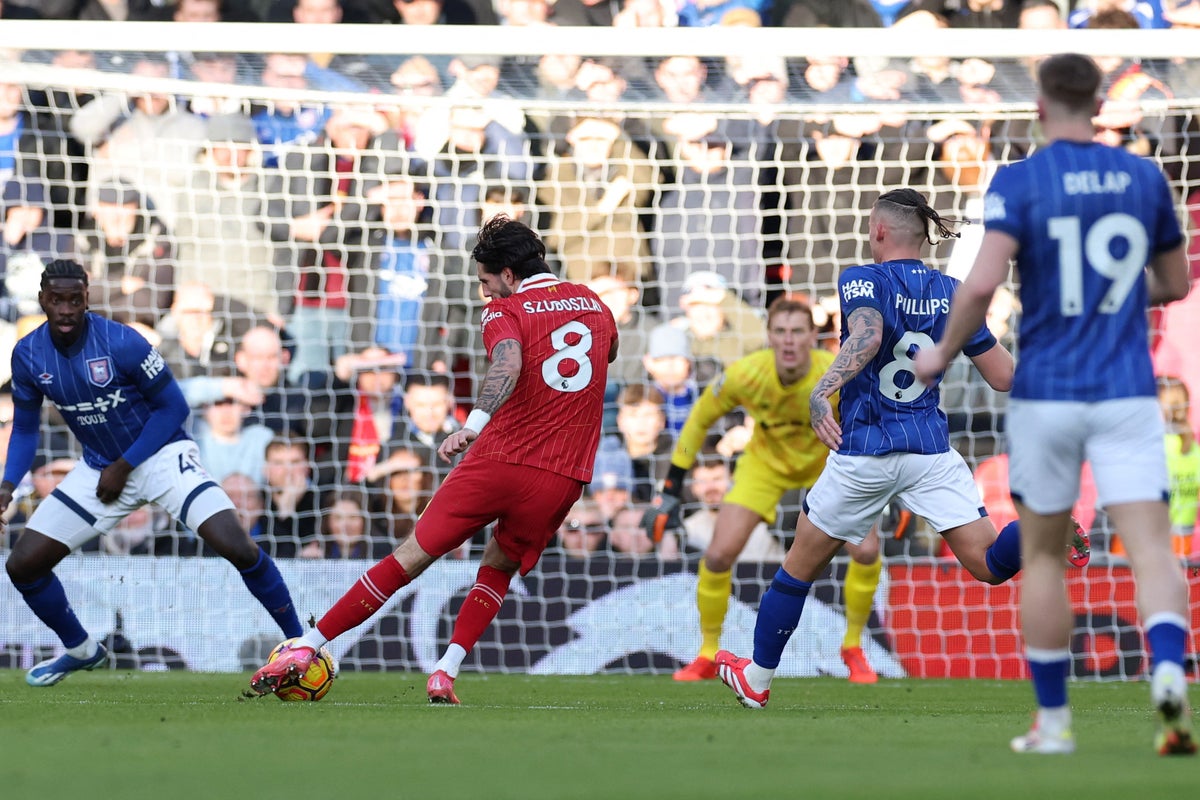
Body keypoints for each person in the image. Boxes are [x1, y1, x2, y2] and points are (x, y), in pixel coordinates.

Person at [914, 53, 1195, 756]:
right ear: (1100, 104)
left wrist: (942, 353)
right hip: (1126, 386)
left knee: (1041, 559)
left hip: (1046, 392)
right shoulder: (1142, 176)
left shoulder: (1020, 179)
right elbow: (1175, 279)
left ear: (1040, 106)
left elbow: (979, 285)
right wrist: (1116, 298)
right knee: (1152, 548)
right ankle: (1167, 669)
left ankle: (1054, 725)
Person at [714, 188, 1090, 710]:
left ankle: (757, 677)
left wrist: (823, 391)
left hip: (865, 450)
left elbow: (867, 336)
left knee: (798, 569)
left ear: (879, 232)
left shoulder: (862, 279)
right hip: (930, 451)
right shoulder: (956, 292)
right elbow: (1004, 377)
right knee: (987, 564)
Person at [249, 215, 619, 704]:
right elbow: (605, 355)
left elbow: (508, 362)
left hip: (501, 457)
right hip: (562, 476)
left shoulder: (506, 310)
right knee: (498, 567)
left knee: (409, 558)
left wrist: (472, 424)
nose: (485, 294)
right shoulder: (595, 304)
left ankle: (308, 647)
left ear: (508, 275)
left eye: (486, 282)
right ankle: (446, 671)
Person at [0, 259, 303, 686]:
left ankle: (301, 644)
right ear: (42, 301)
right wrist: (8, 486)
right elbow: (27, 429)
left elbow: (174, 408)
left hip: (161, 458)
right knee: (23, 566)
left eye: (74, 300)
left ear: (87, 298)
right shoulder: (29, 355)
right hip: (100, 469)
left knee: (237, 546)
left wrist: (125, 465)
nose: (66, 309)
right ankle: (81, 649)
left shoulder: (122, 342)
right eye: (56, 300)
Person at [647, 295, 884, 684]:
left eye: (797, 332)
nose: (789, 341)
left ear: (812, 336)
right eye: (780, 332)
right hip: (764, 464)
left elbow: (874, 420)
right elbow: (698, 422)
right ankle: (708, 653)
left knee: (868, 549)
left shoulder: (838, 372)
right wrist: (672, 485)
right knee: (719, 554)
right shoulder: (745, 373)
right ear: (769, 336)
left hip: (825, 463)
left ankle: (853, 646)